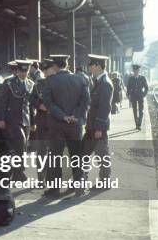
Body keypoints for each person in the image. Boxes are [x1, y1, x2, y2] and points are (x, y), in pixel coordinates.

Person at [42, 54, 90, 197]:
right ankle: (79, 187)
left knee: (55, 156)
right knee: (76, 155)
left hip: (57, 125)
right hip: (75, 125)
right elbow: (86, 101)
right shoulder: (81, 79)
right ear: (67, 64)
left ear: (55, 66)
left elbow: (48, 103)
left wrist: (63, 116)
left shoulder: (50, 81)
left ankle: (54, 189)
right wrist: (74, 115)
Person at [0, 60, 38, 181]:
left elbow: (31, 104)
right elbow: (2, 101)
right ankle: (20, 172)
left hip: (26, 119)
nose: (24, 73)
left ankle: (16, 173)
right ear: (17, 70)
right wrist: (1, 118)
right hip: (12, 118)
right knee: (21, 142)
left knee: (22, 146)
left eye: (26, 71)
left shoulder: (30, 84)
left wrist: (34, 122)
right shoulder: (9, 83)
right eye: (22, 70)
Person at [78, 55, 113, 195]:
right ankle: (86, 180)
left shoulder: (105, 83)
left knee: (99, 155)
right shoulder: (99, 81)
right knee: (91, 154)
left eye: (91, 65)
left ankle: (103, 181)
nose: (89, 68)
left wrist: (98, 128)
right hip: (93, 126)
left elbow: (105, 108)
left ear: (98, 66)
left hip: (98, 128)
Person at [126, 64, 149, 130]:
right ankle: (137, 124)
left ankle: (139, 123)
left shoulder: (142, 78)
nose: (136, 71)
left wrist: (143, 94)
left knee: (141, 110)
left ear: (139, 70)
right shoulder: (131, 78)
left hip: (140, 96)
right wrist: (128, 94)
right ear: (133, 71)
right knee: (135, 110)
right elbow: (128, 87)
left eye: (137, 70)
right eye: (134, 70)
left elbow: (146, 88)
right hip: (133, 96)